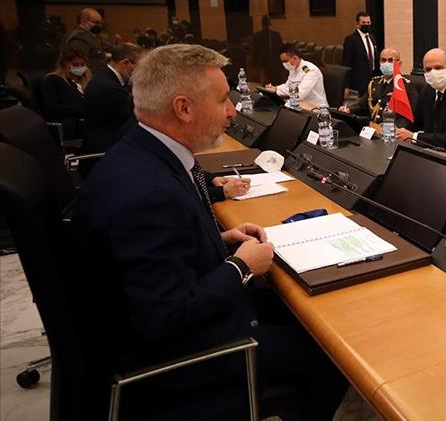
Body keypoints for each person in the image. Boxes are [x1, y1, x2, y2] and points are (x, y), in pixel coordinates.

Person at [73, 44, 347, 420]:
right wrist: (240, 266)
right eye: (221, 101)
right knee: (329, 354)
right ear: (183, 109)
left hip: (167, 324)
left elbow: (155, 260)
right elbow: (166, 317)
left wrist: (219, 240)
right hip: (178, 362)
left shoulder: (142, 153)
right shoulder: (149, 194)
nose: (232, 111)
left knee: (309, 315)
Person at [82, 43, 144, 154]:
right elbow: (132, 121)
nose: (141, 73)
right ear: (125, 63)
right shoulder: (110, 88)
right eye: (140, 67)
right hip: (106, 150)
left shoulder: (104, 76)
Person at [339, 46, 417, 127]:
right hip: (372, 128)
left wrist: (392, 129)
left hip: (391, 130)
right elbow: (361, 105)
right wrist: (348, 109)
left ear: (399, 64)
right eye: (383, 60)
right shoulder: (374, 83)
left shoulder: (406, 86)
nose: (386, 63)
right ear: (379, 62)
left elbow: (408, 117)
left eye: (390, 60)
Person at [41, 47, 90, 139]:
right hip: (70, 124)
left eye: (82, 64)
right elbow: (53, 109)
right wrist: (83, 108)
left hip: (85, 120)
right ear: (64, 64)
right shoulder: (53, 80)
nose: (80, 67)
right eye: (75, 64)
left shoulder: (85, 81)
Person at [264, 43, 328, 108]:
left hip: (317, 108)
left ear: (295, 58)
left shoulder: (310, 70)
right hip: (301, 105)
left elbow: (300, 94)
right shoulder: (293, 69)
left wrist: (278, 90)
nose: (284, 64)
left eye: (285, 61)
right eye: (282, 62)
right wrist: (275, 88)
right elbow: (288, 86)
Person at [341, 11, 378, 93]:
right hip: (357, 83)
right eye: (363, 23)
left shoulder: (372, 38)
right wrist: (346, 85)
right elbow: (346, 63)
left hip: (372, 80)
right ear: (357, 24)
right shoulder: (351, 40)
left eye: (368, 22)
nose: (366, 24)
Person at [253, 15, 284, 84]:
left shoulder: (257, 36)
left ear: (261, 23)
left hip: (265, 64)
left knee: (266, 84)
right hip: (275, 63)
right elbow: (282, 49)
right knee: (276, 83)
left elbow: (255, 51)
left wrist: (254, 64)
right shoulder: (276, 35)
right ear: (270, 23)